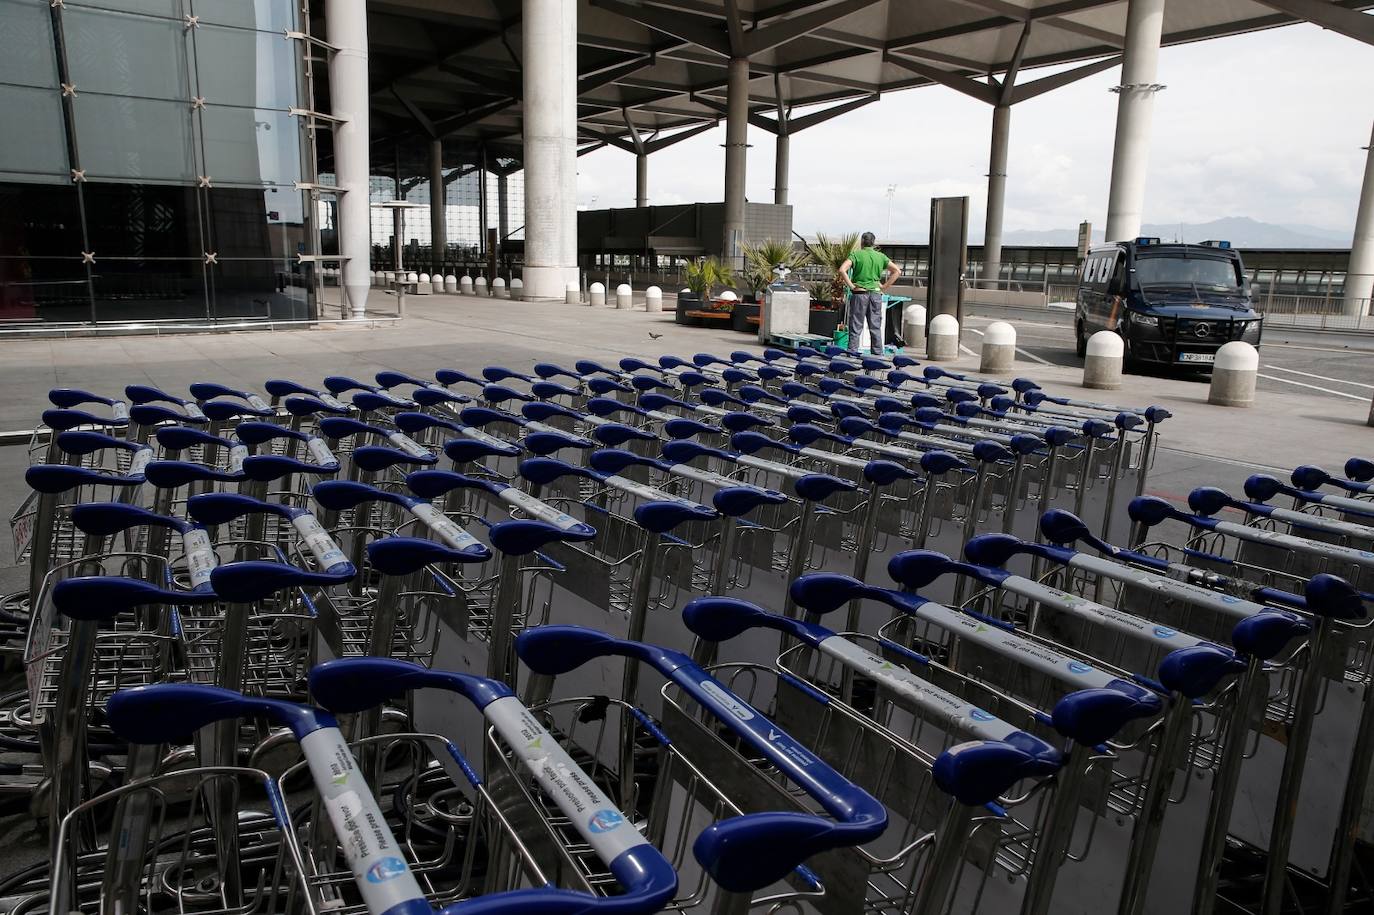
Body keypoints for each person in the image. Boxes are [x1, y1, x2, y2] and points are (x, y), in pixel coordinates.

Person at [839, 232, 901, 355]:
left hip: (860, 293)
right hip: (876, 294)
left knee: (856, 326)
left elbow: (842, 269)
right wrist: (884, 287)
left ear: (862, 241)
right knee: (875, 326)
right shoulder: (881, 256)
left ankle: (852, 353)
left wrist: (851, 285)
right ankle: (877, 355)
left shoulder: (856, 255)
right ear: (873, 243)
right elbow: (897, 271)